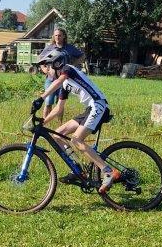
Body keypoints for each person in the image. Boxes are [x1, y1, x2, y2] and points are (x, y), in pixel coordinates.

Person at [32, 48, 118, 194]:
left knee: (77, 140)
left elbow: (59, 80)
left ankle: (107, 171)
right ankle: (78, 170)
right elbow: (59, 108)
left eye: (48, 67)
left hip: (98, 105)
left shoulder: (68, 70)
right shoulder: (64, 84)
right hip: (90, 109)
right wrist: (43, 122)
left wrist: (41, 97)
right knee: (57, 134)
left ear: (56, 64)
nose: (46, 72)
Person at [40, 26, 84, 109]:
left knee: (59, 105)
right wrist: (44, 69)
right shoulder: (49, 48)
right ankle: (46, 118)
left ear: (64, 36)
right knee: (48, 103)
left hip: (64, 80)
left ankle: (58, 118)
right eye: (56, 35)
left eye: (59, 35)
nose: (57, 37)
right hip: (51, 79)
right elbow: (41, 59)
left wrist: (74, 64)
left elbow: (82, 56)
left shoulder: (70, 48)